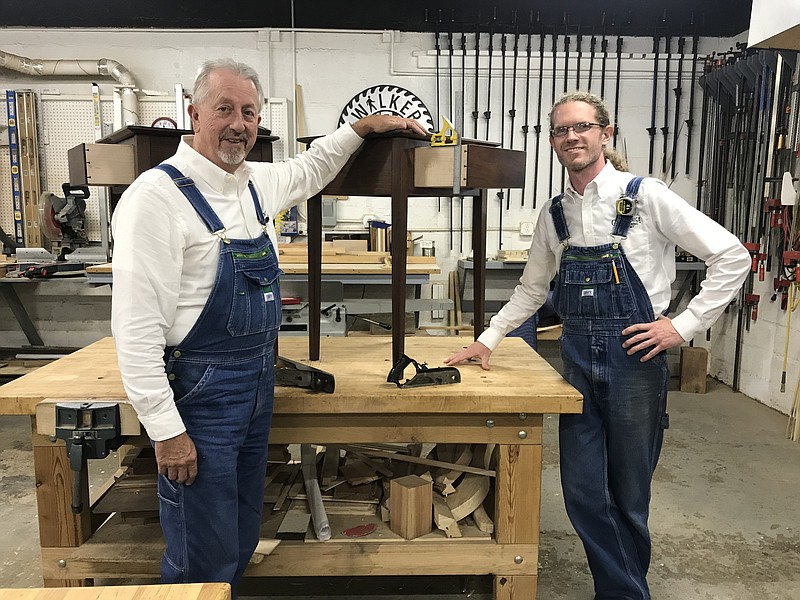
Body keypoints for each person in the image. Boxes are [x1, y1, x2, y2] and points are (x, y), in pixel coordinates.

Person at [110, 58, 426, 589]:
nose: (239, 123)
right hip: (201, 396)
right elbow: (137, 332)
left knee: (239, 536)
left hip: (257, 384)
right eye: (225, 109)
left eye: (250, 112)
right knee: (200, 551)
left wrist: (362, 127)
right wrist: (166, 432)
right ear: (193, 113)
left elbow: (313, 167)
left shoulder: (255, 184)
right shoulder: (155, 198)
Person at [445, 91, 750, 599]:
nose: (573, 137)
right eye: (562, 131)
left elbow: (732, 255)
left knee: (629, 496)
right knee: (585, 492)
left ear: (605, 134)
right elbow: (532, 289)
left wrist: (683, 325)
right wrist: (490, 337)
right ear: (552, 142)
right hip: (578, 359)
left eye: (583, 127)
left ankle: (620, 592)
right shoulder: (555, 216)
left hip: (637, 359)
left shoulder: (644, 195)